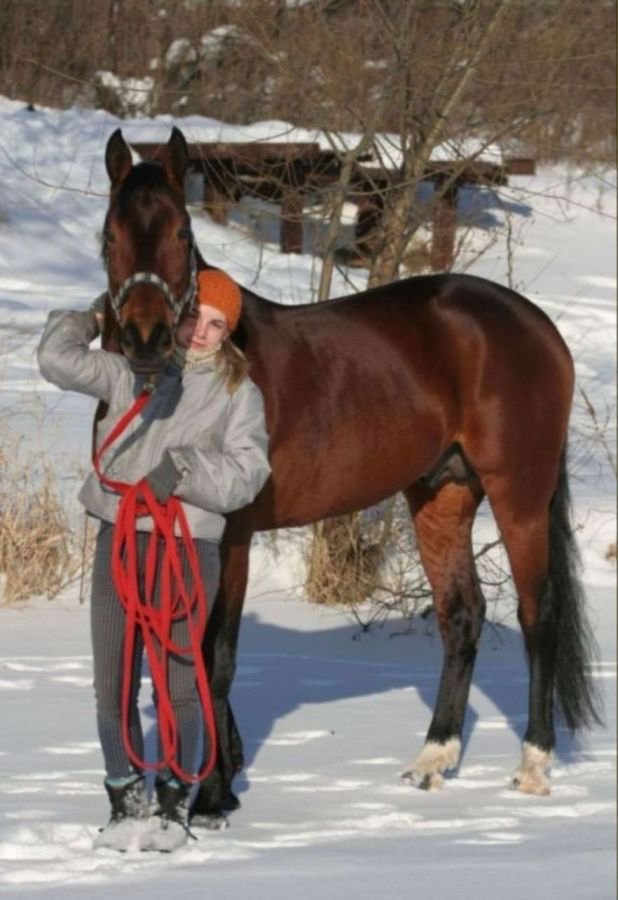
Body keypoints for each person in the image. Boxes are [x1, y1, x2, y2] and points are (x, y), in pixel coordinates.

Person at [37, 269, 271, 852]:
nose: (201, 333)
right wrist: (97, 316)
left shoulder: (239, 392)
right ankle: (124, 800)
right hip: (118, 541)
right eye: (195, 317)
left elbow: (249, 473)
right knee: (112, 683)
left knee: (180, 685)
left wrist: (186, 468)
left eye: (217, 325)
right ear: (174, 312)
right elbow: (55, 359)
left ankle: (171, 803)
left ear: (228, 334)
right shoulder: (130, 370)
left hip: (188, 548)